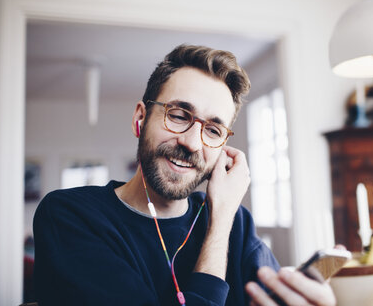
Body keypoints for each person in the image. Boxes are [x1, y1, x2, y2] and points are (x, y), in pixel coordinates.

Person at [33, 44, 336, 306]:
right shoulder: (70, 215)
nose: (191, 142)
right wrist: (219, 229)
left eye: (213, 130)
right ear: (141, 118)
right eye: (178, 115)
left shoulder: (237, 223)